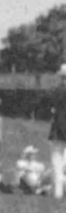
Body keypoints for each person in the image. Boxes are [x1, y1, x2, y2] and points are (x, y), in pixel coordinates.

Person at [47, 65, 66, 199]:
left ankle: (57, 190)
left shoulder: (57, 90)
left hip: (59, 128)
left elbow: (51, 106)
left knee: (56, 159)